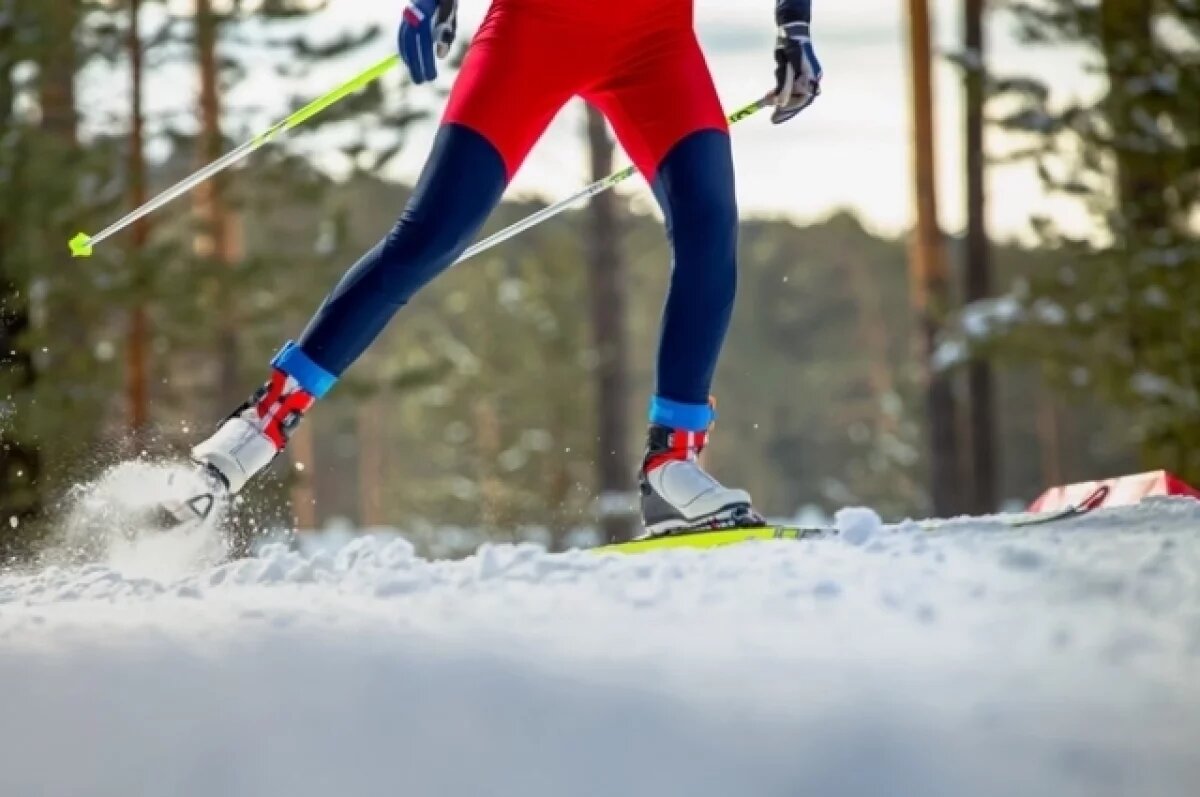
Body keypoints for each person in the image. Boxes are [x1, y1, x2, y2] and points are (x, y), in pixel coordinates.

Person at [187, 0, 822, 535]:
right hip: (534, 30)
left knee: (711, 231)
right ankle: (263, 421)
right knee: (429, 237)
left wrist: (794, 26)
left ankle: (672, 464)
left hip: (654, 43)